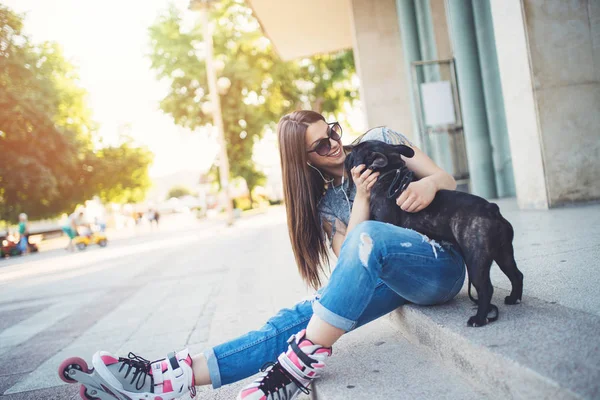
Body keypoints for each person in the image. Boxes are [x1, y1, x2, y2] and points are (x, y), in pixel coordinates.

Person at [82, 111, 465, 400]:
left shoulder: (383, 139)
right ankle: (170, 378)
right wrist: (361, 197)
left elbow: (446, 179)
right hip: (393, 280)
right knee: (295, 319)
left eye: (330, 132)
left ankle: (296, 369)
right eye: (319, 146)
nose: (332, 144)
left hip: (440, 264)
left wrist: (429, 186)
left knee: (369, 243)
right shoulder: (330, 206)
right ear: (306, 161)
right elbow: (351, 256)